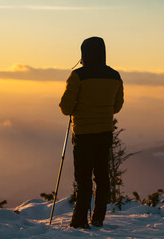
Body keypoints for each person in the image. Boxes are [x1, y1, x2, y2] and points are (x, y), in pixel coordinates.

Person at [59, 36, 124, 228]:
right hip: (104, 132)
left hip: (83, 133)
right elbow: (117, 106)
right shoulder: (114, 76)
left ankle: (79, 221)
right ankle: (98, 218)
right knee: (102, 177)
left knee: (84, 179)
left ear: (84, 53)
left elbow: (66, 108)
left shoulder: (78, 76)